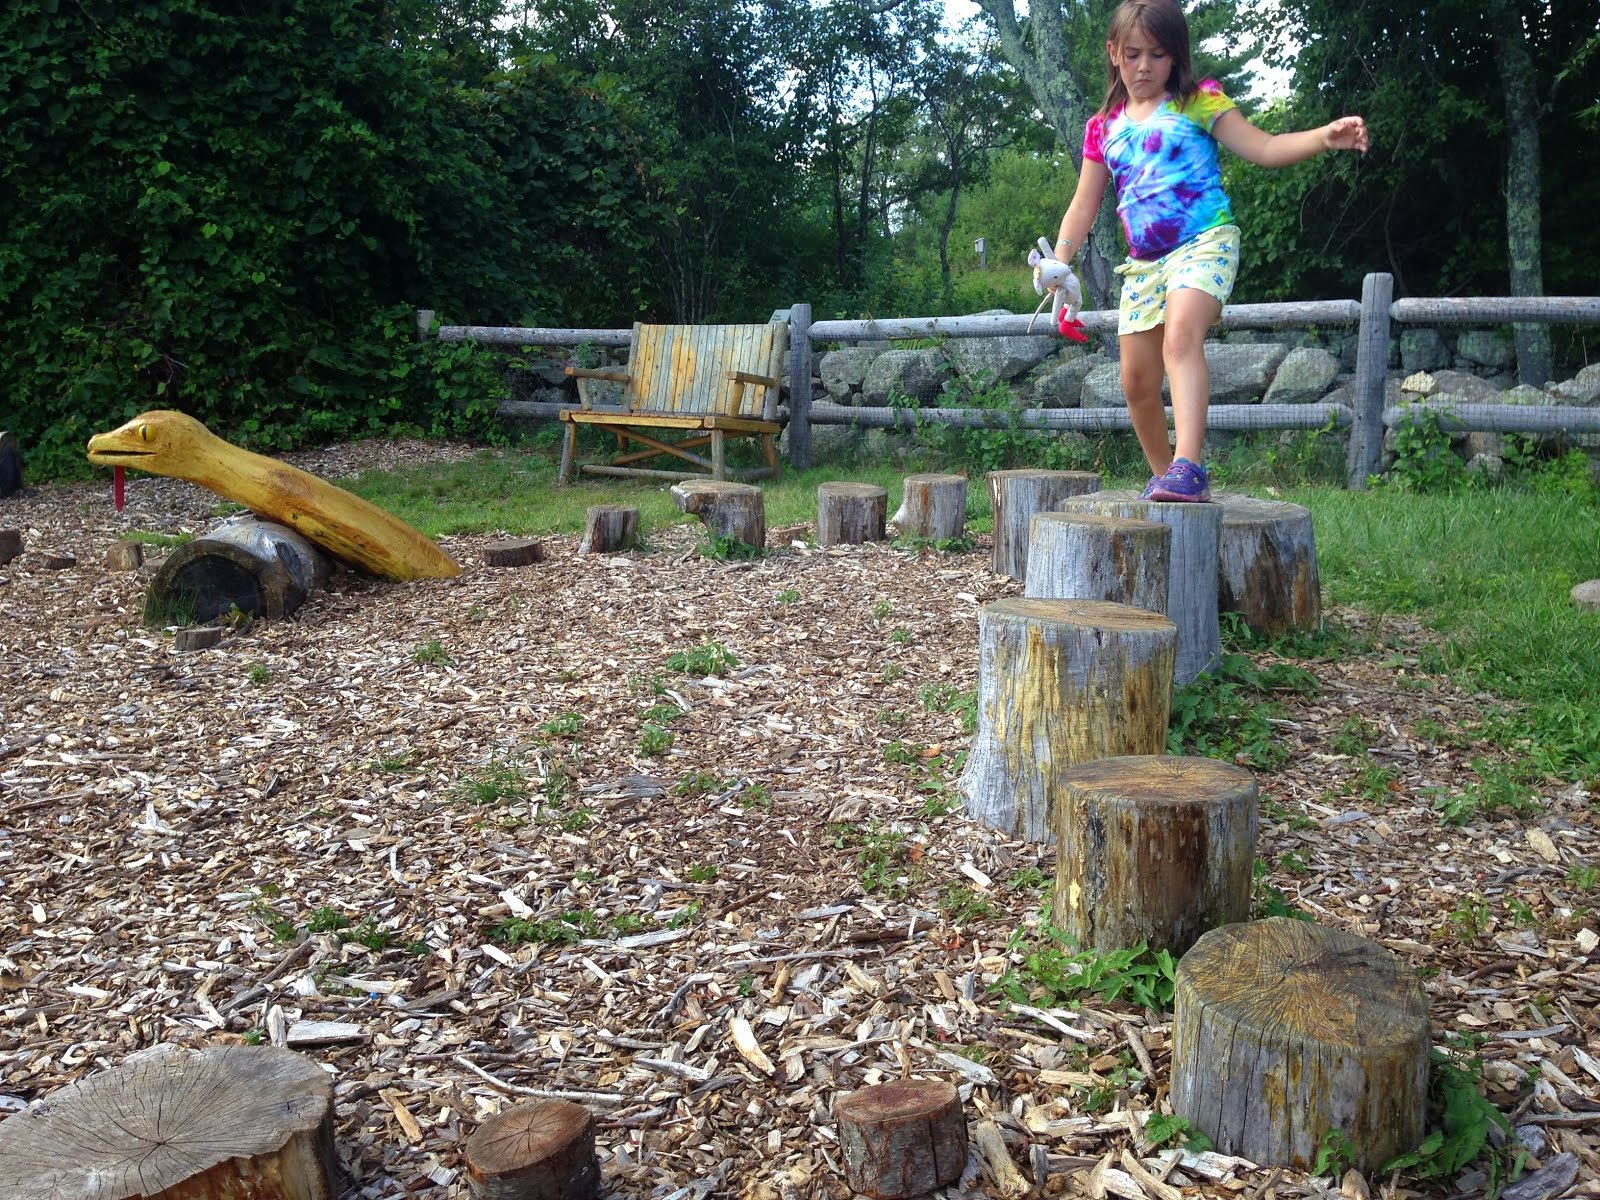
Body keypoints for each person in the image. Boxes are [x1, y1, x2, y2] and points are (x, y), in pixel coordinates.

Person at [1051, 0, 1367, 501]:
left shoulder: (1199, 102)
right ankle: (1165, 477)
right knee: (1135, 382)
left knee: (1180, 338)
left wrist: (1323, 138)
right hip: (1144, 266)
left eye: (1157, 55)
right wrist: (1059, 262)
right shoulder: (1103, 127)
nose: (1144, 67)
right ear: (1113, 53)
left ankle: (1188, 466)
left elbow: (1263, 148)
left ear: (1175, 58)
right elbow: (1084, 205)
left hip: (1204, 242)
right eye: (1132, 54)